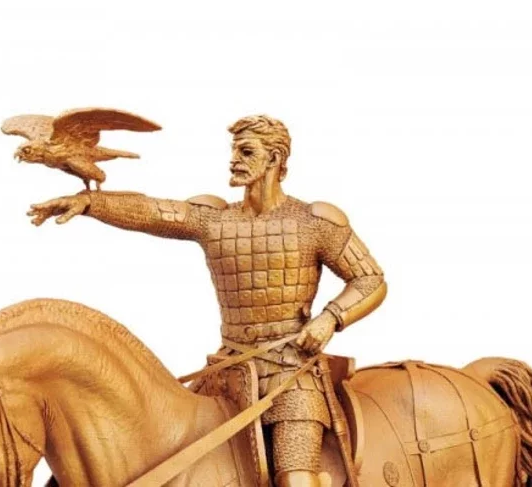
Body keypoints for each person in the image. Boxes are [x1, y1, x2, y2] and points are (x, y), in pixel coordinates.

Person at [27, 115, 387, 486]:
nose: (234, 160)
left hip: (292, 375)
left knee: (296, 477)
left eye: (246, 152)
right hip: (229, 372)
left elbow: (370, 279)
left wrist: (330, 318)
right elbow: (154, 212)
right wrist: (90, 203)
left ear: (274, 158)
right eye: (233, 151)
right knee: (164, 451)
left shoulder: (314, 222)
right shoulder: (216, 219)